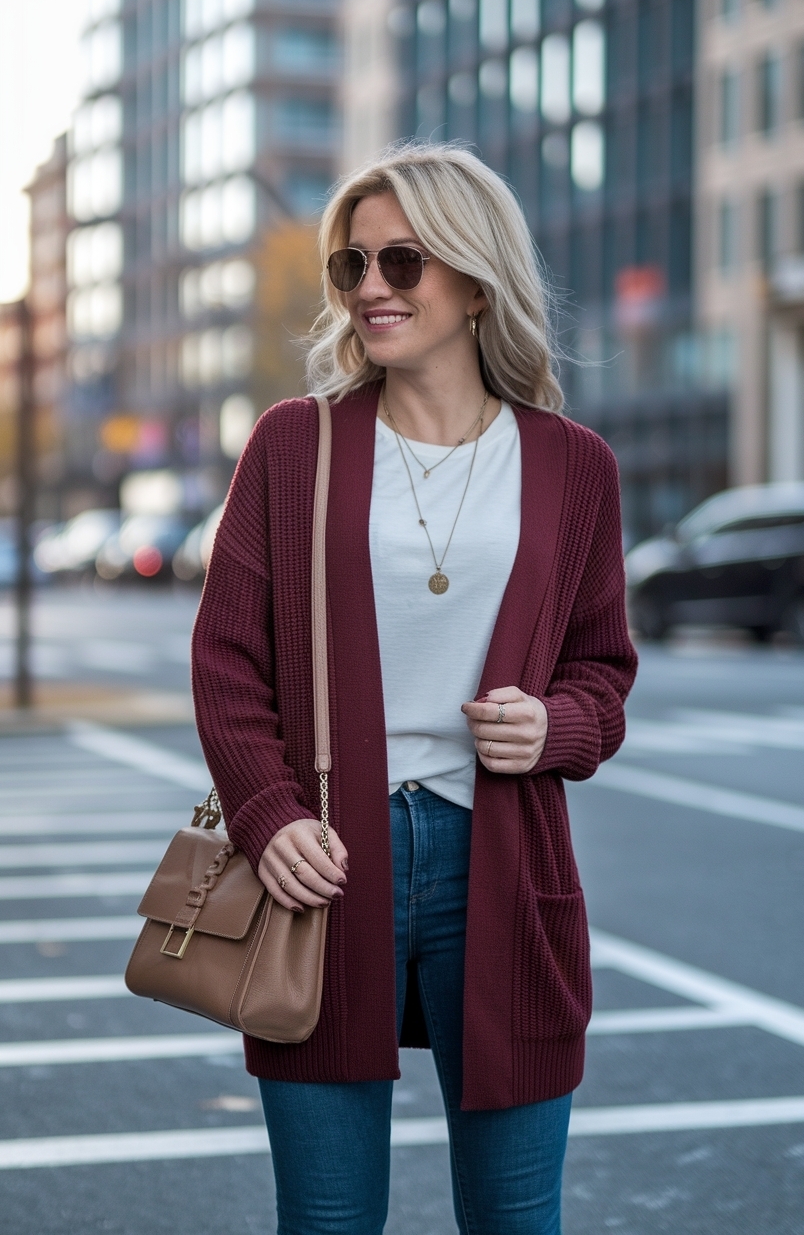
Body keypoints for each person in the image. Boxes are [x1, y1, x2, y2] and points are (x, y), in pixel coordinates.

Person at [192, 141, 638, 1235]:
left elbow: (603, 674)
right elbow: (226, 659)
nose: (371, 290)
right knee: (330, 1218)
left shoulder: (573, 466)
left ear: (476, 277)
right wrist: (266, 813)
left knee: (516, 1218)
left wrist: (554, 724)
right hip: (325, 865)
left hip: (506, 860)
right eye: (350, 268)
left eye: (402, 262)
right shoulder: (297, 446)